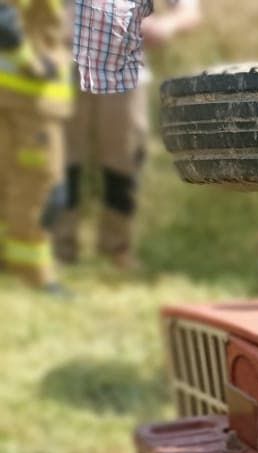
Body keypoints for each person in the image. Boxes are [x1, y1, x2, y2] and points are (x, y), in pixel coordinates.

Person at [54, 0, 201, 270]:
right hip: (62, 62)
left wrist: (165, 26)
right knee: (61, 159)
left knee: (124, 158)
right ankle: (59, 248)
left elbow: (188, 10)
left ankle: (117, 248)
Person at [0, 0, 71, 291]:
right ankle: (33, 273)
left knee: (10, 185)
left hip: (24, 101)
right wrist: (30, 62)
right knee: (41, 188)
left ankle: (8, 265)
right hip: (27, 102)